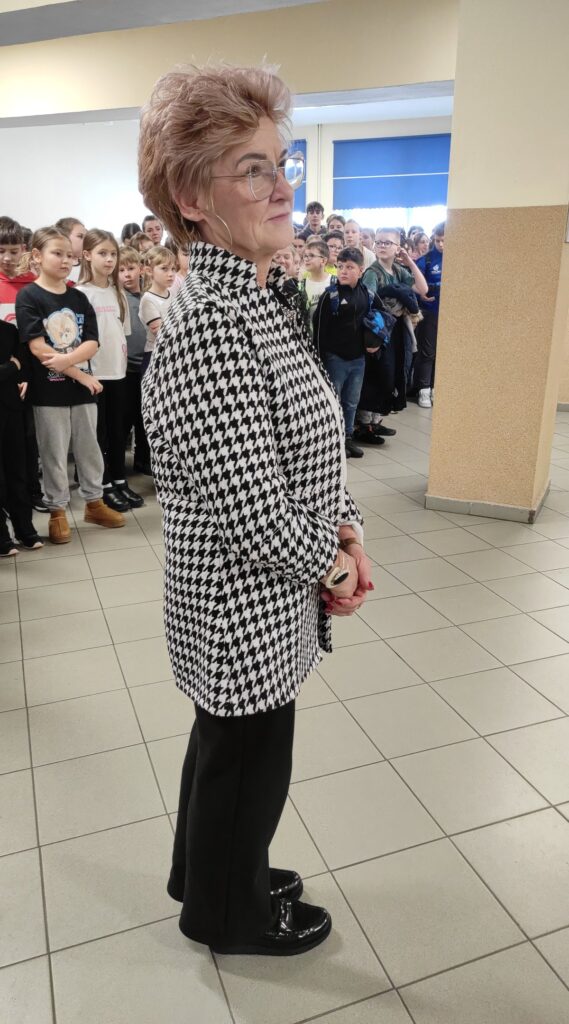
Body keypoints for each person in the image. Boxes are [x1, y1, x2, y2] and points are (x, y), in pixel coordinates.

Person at [138, 61, 373, 957]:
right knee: (248, 761)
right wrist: (334, 566)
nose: (282, 188)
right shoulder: (213, 325)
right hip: (240, 599)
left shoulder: (259, 296)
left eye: (281, 164)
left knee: (224, 749)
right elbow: (250, 509)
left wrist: (346, 529)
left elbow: (303, 442)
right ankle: (226, 914)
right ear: (193, 199)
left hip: (266, 587)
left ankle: (203, 874)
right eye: (253, 169)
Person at [15, 227, 125, 544]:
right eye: (57, 254)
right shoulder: (29, 296)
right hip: (49, 392)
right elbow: (38, 348)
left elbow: (92, 342)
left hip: (81, 391)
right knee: (54, 452)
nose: (65, 261)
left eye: (69, 256)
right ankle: (57, 511)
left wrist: (68, 362)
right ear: (37, 256)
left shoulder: (78, 297)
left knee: (90, 448)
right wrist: (80, 373)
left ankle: (94, 503)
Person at [77, 229, 144, 511]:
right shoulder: (81, 293)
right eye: (102, 253)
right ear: (87, 255)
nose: (109, 260)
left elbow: (121, 332)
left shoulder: (117, 292)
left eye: (113, 254)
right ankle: (102, 484)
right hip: (94, 374)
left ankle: (118, 479)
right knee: (99, 433)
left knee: (117, 431)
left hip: (118, 372)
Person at [313, 246, 386, 458]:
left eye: (349, 267)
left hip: (358, 359)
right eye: (340, 266)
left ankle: (347, 438)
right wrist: (319, 359)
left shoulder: (368, 295)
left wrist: (378, 341)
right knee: (332, 400)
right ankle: (331, 440)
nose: (343, 271)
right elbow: (319, 330)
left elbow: (383, 316)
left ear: (361, 270)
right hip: (334, 358)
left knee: (351, 402)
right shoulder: (331, 296)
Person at [0, 216, 47, 513]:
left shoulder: (32, 286)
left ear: (24, 251)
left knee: (30, 438)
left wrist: (25, 372)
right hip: (4, 375)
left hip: (31, 372)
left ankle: (33, 491)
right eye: (1, 251)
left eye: (14, 251)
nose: (7, 258)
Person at [362, 227, 427, 416]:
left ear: (398, 248)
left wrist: (409, 262)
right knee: (379, 375)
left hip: (397, 328)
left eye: (387, 242)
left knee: (393, 374)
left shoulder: (399, 270)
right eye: (379, 242)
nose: (382, 246)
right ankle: (366, 422)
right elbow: (368, 305)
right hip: (380, 330)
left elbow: (422, 289)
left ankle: (376, 421)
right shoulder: (373, 272)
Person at [0, 318, 43, 554]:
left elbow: (24, 363)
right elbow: (14, 364)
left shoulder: (9, 330)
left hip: (12, 409)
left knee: (18, 471)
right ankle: (1, 537)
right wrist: (10, 367)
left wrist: (21, 373)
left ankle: (24, 528)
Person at [118, 246, 152, 474]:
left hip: (147, 367)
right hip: (126, 368)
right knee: (125, 417)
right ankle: (117, 464)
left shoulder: (148, 297)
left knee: (144, 417)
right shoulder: (119, 298)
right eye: (121, 271)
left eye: (130, 269)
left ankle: (143, 459)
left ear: (140, 269)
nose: (127, 275)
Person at [414, 221, 445, 408]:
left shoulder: (460, 257)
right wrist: (422, 292)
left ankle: (436, 387)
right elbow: (414, 283)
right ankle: (424, 389)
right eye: (438, 240)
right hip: (430, 312)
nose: (441, 244)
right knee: (427, 352)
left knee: (443, 353)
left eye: (444, 240)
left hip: (451, 314)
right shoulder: (426, 260)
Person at [138, 245, 176, 375]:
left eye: (173, 269)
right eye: (164, 269)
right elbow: (161, 332)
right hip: (156, 355)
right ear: (149, 271)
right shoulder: (148, 300)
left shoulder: (172, 294)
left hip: (172, 353)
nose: (171, 274)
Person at [301, 238, 331, 318]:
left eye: (311, 255)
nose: (306, 259)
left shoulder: (335, 282)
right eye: (305, 256)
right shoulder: (301, 284)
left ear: (323, 261)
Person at [55, 218, 86, 284]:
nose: (85, 241)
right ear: (63, 236)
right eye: (80, 236)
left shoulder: (87, 266)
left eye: (86, 237)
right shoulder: (54, 264)